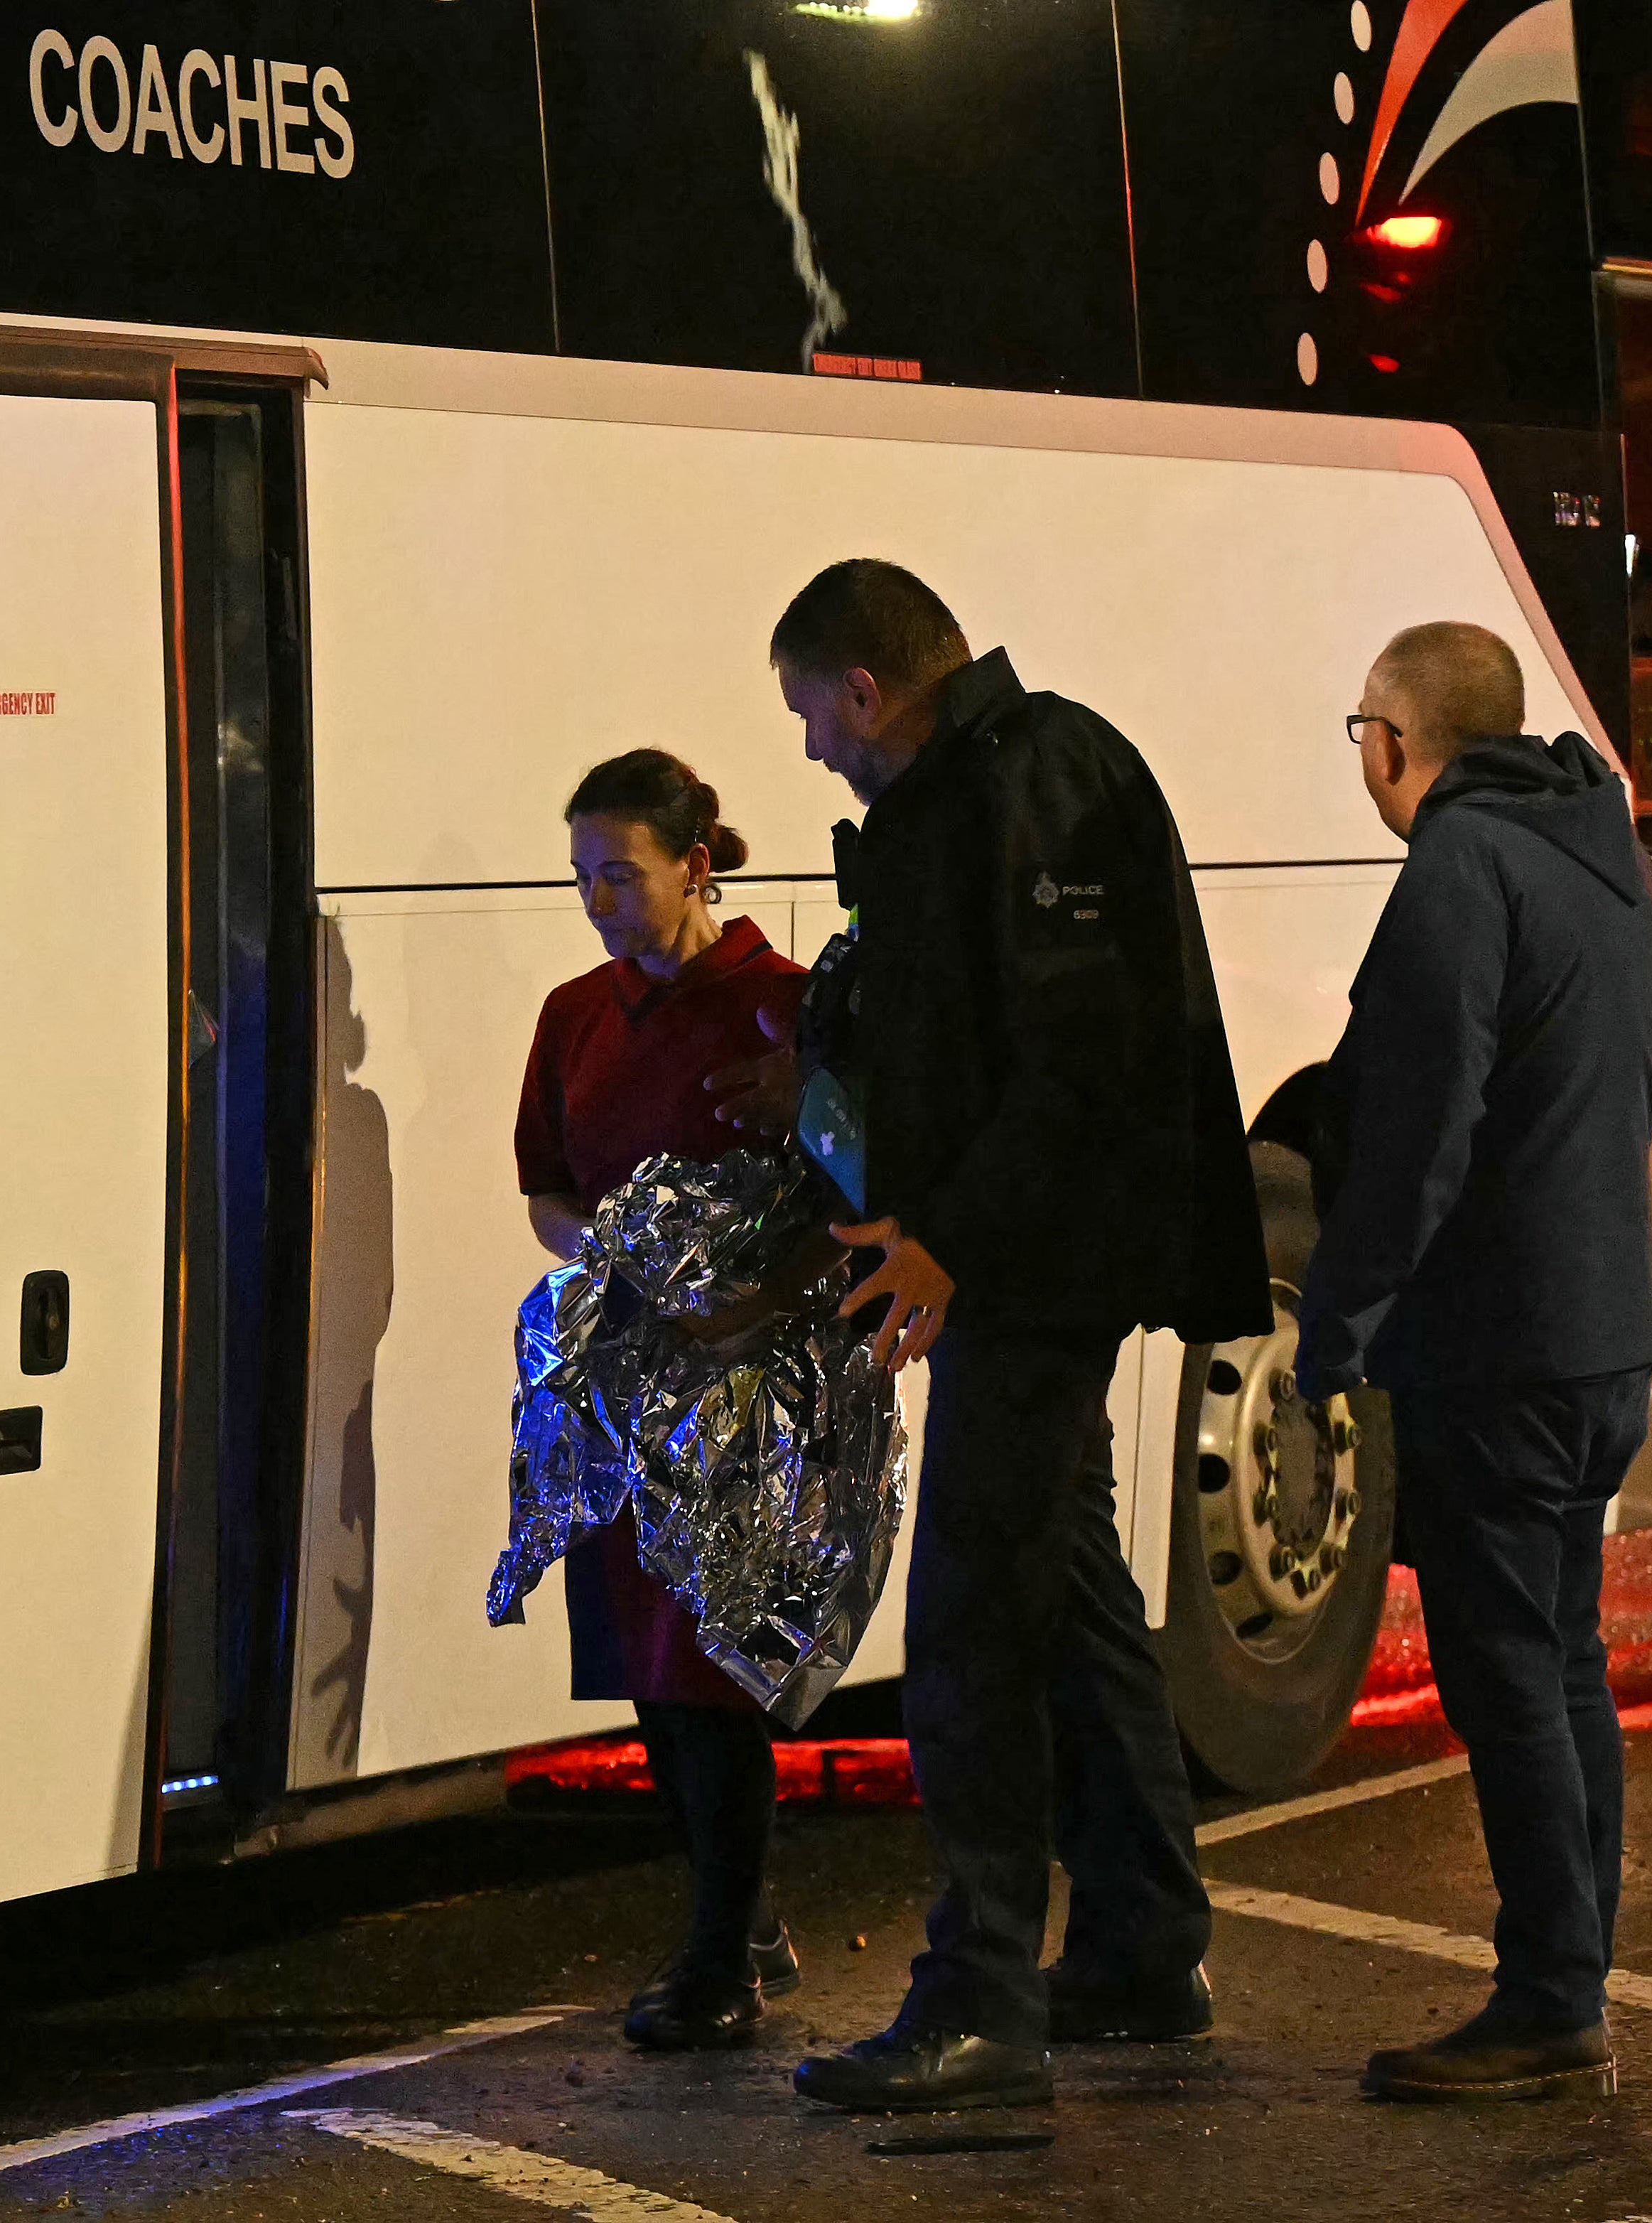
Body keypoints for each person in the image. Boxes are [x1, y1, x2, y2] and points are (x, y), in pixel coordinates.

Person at [727, 559, 1269, 2114]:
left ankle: (978, 1999)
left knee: (969, 1620)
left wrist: (948, 1236)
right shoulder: (997, 781)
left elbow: (1074, 1060)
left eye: (808, 715)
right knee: (1071, 1583)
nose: (811, 750)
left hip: (1037, 1273)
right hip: (1024, 1261)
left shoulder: (1024, 782)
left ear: (863, 688)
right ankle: (1141, 1948)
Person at [1294, 621, 1652, 2104]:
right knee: (1562, 1660)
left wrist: (1336, 1322)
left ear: (1394, 739)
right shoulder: (1594, 849)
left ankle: (1549, 1995)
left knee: (1507, 1672)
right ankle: (1571, 1964)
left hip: (1498, 1342)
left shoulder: (1457, 865)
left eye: (1361, 734)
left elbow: (1415, 1131)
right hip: (1598, 1330)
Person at [515, 748, 810, 2050]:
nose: (599, 904)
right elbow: (547, 1195)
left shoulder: (784, 1005)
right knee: (644, 1663)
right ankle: (732, 1921)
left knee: (714, 1666)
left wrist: (746, 1296)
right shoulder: (575, 1013)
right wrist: (623, 1255)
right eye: (581, 878)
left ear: (696, 865)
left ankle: (720, 1958)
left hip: (743, 1381)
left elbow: (841, 1190)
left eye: (620, 877)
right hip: (622, 1377)